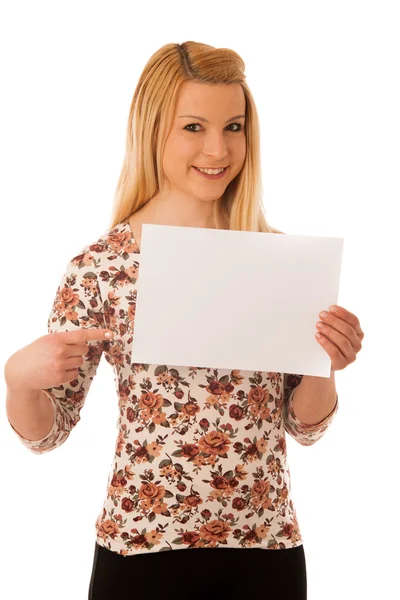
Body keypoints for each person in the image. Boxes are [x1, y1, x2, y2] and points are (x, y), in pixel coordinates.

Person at [5, 41, 340, 600]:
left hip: (265, 548)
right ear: (152, 128)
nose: (218, 148)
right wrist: (18, 377)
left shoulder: (280, 262)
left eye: (234, 126)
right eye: (193, 127)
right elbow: (49, 433)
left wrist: (324, 364)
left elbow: (306, 427)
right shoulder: (102, 269)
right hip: (141, 547)